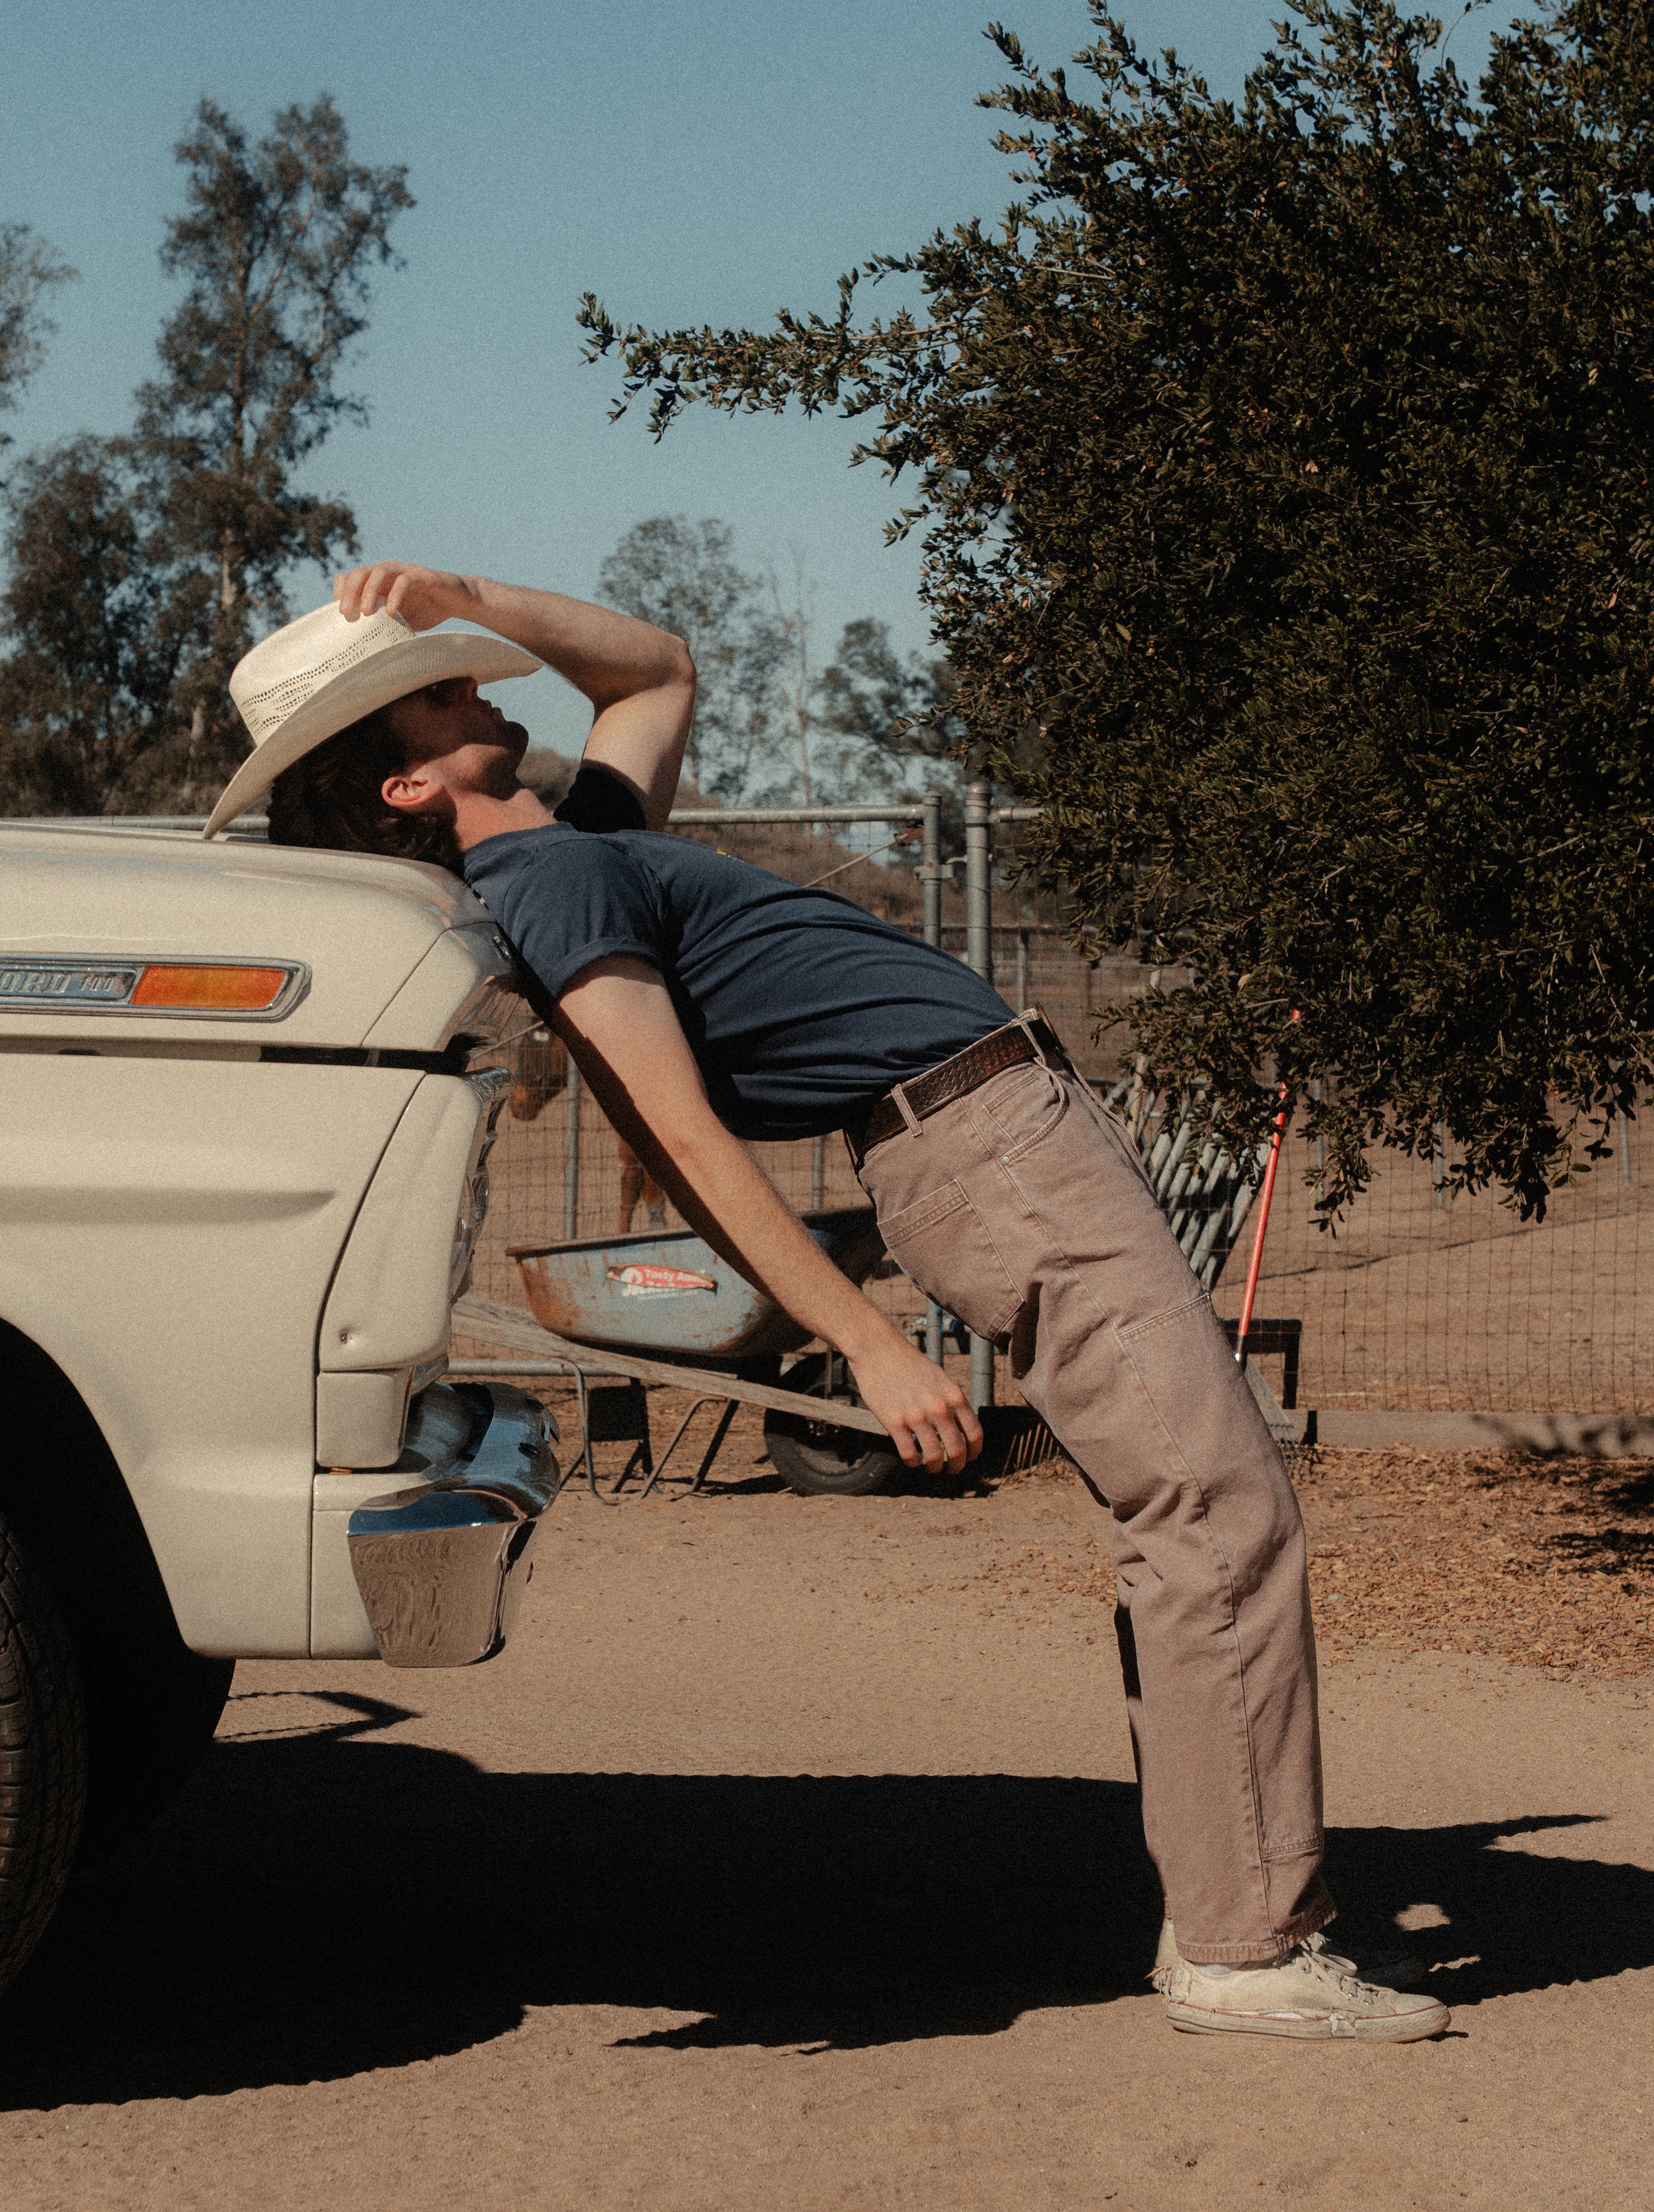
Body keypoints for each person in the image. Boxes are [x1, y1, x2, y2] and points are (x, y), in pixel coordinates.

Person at [204, 560, 1447, 2044]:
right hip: (989, 1153)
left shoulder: (580, 843)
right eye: (448, 694)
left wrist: (467, 592)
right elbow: (677, 1132)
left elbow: (653, 669)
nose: (488, 689)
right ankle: (1247, 1948)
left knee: (1199, 1511)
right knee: (1216, 1511)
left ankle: (1234, 1918)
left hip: (1003, 1138)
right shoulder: (550, 881)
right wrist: (864, 1345)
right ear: (406, 783)